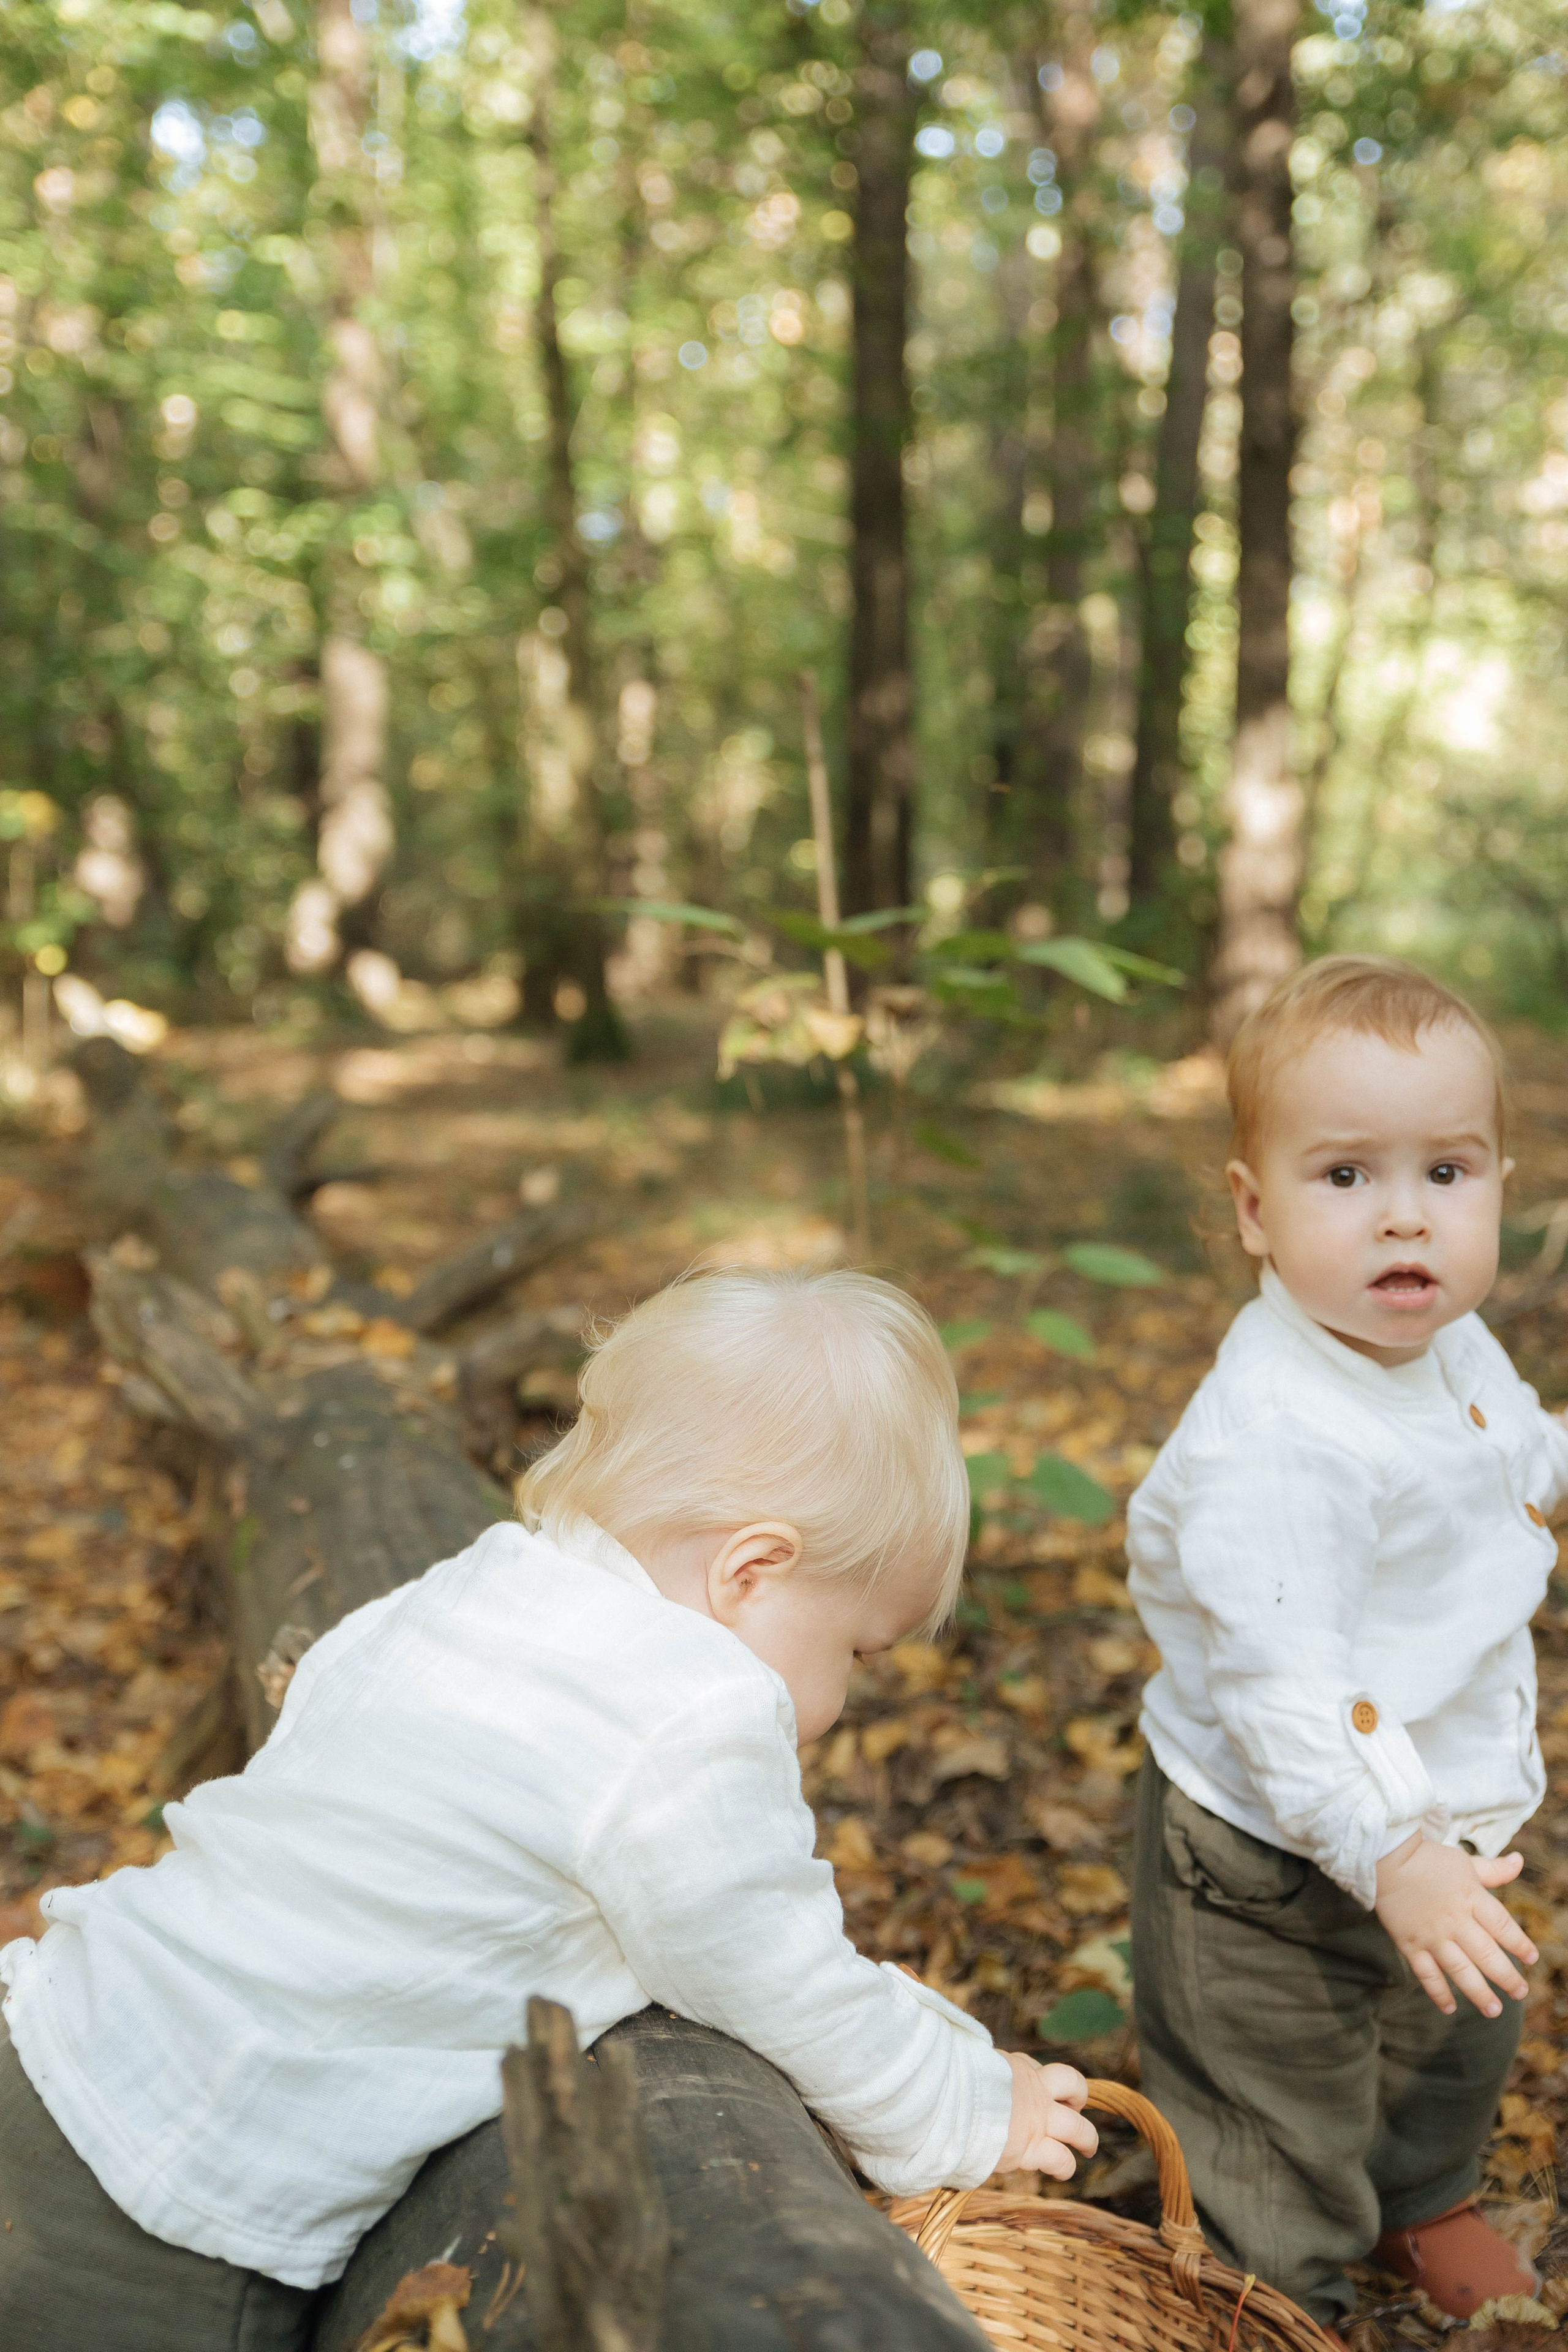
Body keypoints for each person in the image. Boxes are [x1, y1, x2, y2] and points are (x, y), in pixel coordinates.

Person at [0, 1266, 1096, 2349]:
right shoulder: (688, 1711)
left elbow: (329, 1716)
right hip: (176, 2193)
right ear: (752, 1572)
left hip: (68, 2032)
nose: (847, 1693)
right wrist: (968, 2103)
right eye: (857, 1648)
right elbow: (781, 1974)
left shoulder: (484, 1582)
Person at [1127, 955, 1563, 2331]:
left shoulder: (1448, 1344)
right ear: (1253, 1212)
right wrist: (1389, 1856)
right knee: (1274, 2097)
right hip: (1267, 1841)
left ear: (1497, 1181)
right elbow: (1286, 1692)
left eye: (1443, 1173)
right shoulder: (1279, 1436)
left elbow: (1512, 1460)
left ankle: (1419, 2198)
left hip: (1433, 1803)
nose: (1401, 1220)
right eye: (1343, 1178)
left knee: (1455, 2026)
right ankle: (1274, 2295)